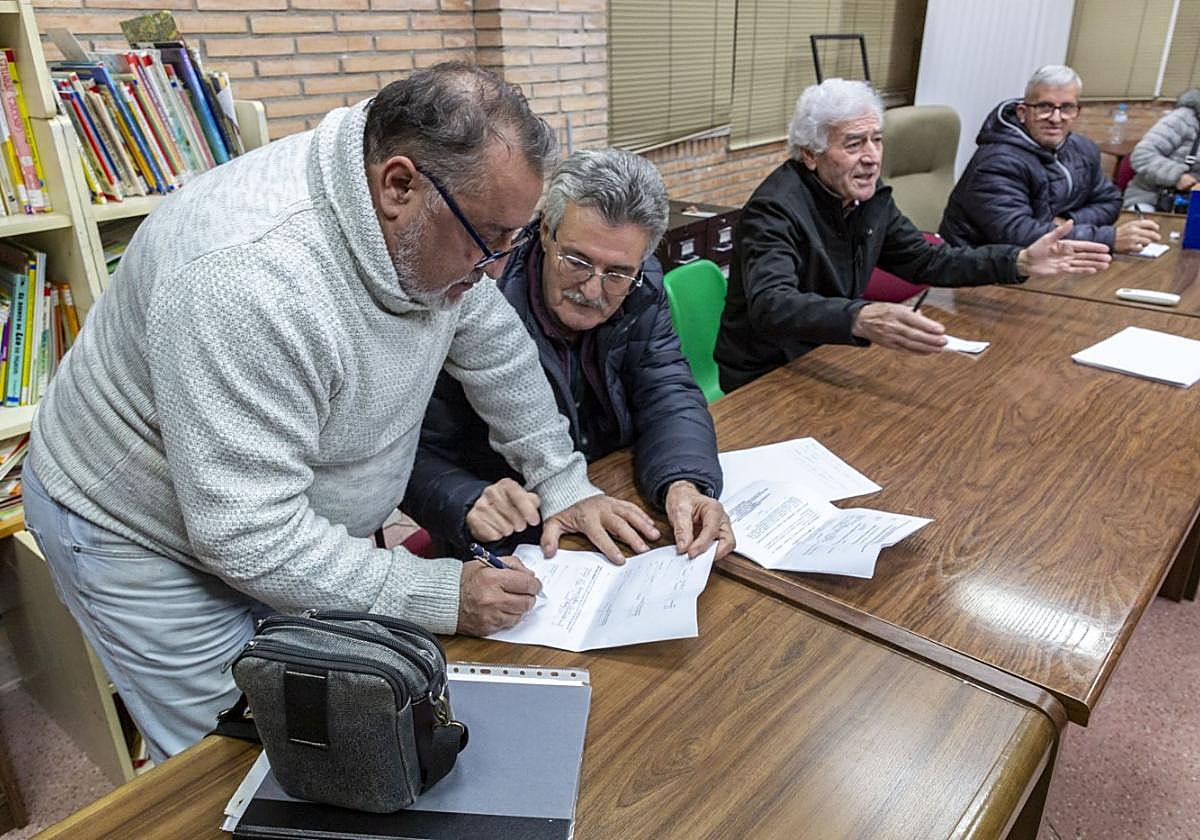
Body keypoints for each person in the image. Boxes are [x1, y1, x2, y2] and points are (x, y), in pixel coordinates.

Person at [22, 63, 659, 761]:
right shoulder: (246, 281)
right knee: (241, 755)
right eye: (491, 240)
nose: (502, 268)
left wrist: (562, 480)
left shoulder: (439, 215)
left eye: (517, 239)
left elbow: (497, 352)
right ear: (398, 185)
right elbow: (248, 536)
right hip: (137, 532)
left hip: (276, 519)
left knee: (328, 717)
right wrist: (439, 593)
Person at [404, 149, 734, 564]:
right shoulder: (475, 302)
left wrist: (684, 480)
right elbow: (407, 452)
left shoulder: (641, 286)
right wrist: (466, 500)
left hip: (611, 501)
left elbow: (666, 390)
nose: (593, 291)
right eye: (577, 261)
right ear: (545, 230)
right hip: (510, 535)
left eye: (617, 272)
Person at [715, 77, 1112, 393]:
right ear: (810, 154)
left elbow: (927, 259)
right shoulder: (775, 209)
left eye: (877, 139)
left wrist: (1017, 261)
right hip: (767, 373)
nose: (871, 157)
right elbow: (772, 304)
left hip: (827, 353)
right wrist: (859, 317)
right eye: (853, 144)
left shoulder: (868, 196)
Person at [940, 64, 1160, 253]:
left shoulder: (1083, 149)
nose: (1056, 118)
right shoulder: (996, 162)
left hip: (1046, 263)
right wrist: (1108, 239)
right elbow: (1018, 234)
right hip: (982, 270)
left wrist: (1065, 222)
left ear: (1077, 113)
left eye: (1066, 108)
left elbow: (1109, 202)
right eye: (1044, 107)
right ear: (1022, 112)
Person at [1123, 88, 1200, 210]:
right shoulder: (1184, 118)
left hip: (1192, 207)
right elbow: (1142, 155)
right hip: (1151, 198)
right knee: (1144, 226)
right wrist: (1177, 176)